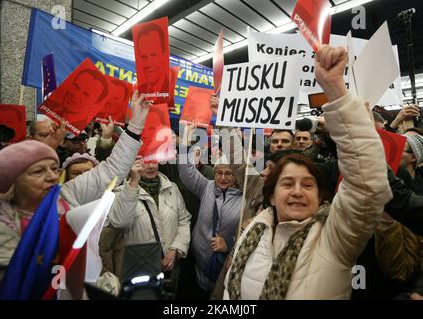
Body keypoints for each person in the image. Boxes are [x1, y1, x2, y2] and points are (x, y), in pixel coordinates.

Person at [222, 45, 392, 299]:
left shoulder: (336, 238)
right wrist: (223, 121)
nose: (298, 191)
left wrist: (335, 90)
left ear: (320, 194)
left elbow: (366, 185)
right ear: (271, 195)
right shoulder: (253, 229)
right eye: (287, 183)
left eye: (308, 184)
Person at [0, 91, 151, 291]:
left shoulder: (66, 195)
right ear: (13, 180)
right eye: (38, 171)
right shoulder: (2, 223)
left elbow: (111, 170)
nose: (52, 177)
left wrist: (136, 125)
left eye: (54, 168)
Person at [108, 157, 191, 295]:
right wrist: (134, 182)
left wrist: (175, 250)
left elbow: (184, 220)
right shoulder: (121, 194)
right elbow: (120, 221)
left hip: (171, 267)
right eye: (144, 162)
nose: (151, 166)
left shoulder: (172, 188)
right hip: (139, 269)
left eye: (153, 161)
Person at [179, 142, 242, 299]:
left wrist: (228, 244)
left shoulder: (245, 199)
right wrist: (184, 145)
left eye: (228, 173)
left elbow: (247, 231)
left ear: (237, 176)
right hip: (199, 261)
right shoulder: (206, 187)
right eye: (219, 172)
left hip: (224, 267)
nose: (222, 177)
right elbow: (186, 171)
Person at [134, 23, 169, 102]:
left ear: (164, 54)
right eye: (144, 57)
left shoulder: (168, 91)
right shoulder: (139, 93)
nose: (148, 64)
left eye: (153, 55)